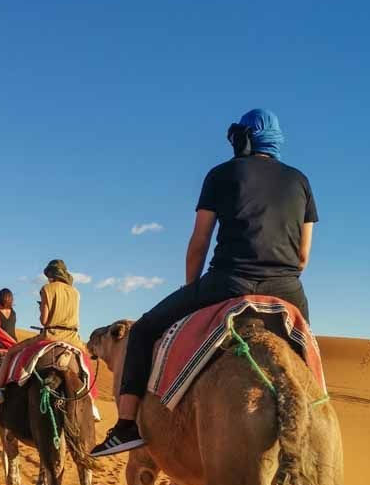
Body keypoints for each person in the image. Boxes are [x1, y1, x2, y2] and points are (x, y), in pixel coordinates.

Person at [92, 108, 318, 457]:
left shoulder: (222, 174)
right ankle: (316, 422)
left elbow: (200, 240)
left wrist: (190, 288)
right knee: (307, 354)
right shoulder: (300, 181)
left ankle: (125, 426)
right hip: (287, 289)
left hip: (228, 281)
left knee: (142, 331)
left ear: (243, 137)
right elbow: (303, 256)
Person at [0, 259, 92, 406]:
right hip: (73, 339)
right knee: (85, 363)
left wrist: (42, 311)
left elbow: (45, 321)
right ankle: (91, 401)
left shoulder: (47, 288)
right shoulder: (76, 293)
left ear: (51, 274)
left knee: (11, 353)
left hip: (50, 335)